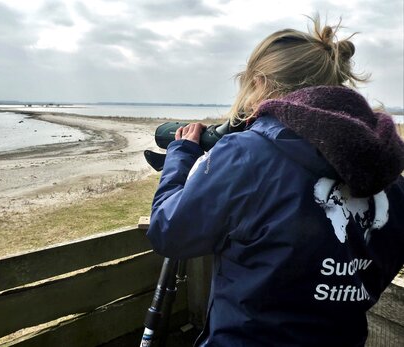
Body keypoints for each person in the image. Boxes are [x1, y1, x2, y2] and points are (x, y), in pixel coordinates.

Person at [146, 16, 404, 347]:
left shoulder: (245, 154)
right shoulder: (388, 171)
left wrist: (181, 156)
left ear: (260, 83)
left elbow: (169, 233)